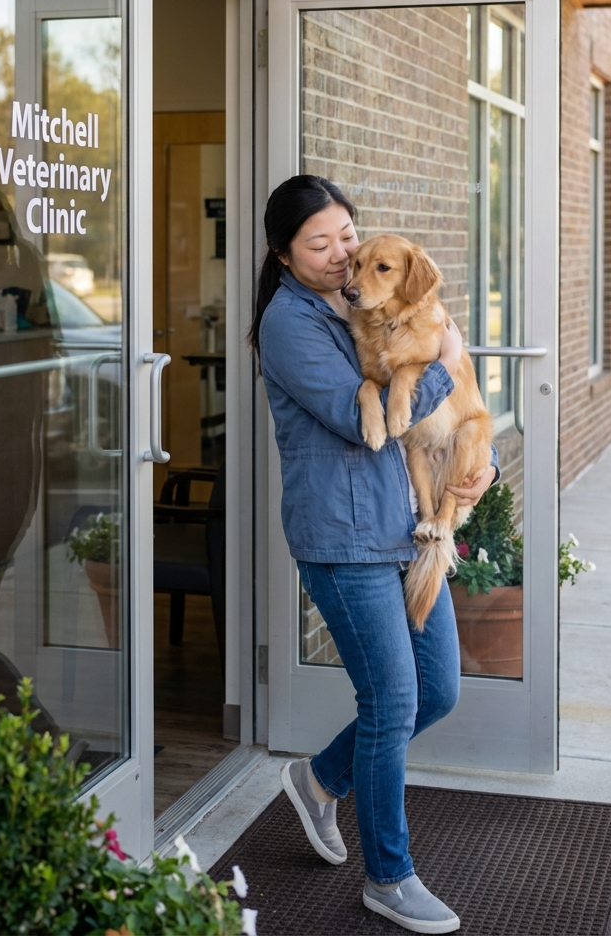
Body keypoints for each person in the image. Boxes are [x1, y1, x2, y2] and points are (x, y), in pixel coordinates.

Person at [251, 175, 499, 934]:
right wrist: (449, 353)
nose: (339, 256)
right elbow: (366, 422)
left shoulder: (363, 304)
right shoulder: (291, 324)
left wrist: (468, 471)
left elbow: (439, 415)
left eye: (346, 238)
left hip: (401, 526)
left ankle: (320, 779)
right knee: (391, 702)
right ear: (286, 256)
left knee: (437, 691)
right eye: (318, 245)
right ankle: (389, 876)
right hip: (341, 537)